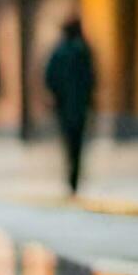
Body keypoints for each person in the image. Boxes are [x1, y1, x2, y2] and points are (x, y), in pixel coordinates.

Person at [44, 18, 95, 194]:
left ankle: (71, 173)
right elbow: (91, 78)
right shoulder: (84, 51)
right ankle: (75, 173)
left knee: (68, 139)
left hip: (64, 105)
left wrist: (56, 95)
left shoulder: (59, 52)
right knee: (77, 140)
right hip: (79, 105)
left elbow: (50, 77)